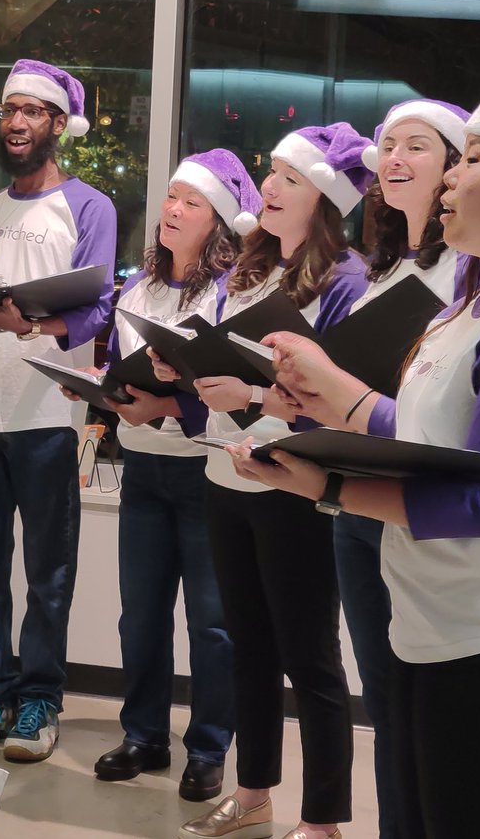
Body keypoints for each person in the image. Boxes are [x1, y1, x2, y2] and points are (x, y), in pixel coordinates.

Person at [234, 81, 480, 839]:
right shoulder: (474, 305)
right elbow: (422, 436)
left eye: (471, 157)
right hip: (433, 628)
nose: (447, 174)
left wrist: (326, 484)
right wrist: (330, 392)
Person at [164, 125, 372, 839]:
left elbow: (344, 399)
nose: (272, 187)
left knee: (310, 658)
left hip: (298, 489)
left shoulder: (347, 280)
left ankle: (324, 822)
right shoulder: (243, 272)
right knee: (247, 645)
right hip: (229, 474)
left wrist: (252, 398)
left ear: (327, 197)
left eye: (291, 177)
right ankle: (253, 794)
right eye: (272, 174)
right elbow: (226, 372)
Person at [275, 98, 470, 839]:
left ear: (455, 167)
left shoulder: (469, 277)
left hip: (414, 505)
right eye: (387, 145)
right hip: (355, 502)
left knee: (422, 710)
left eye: (416, 146)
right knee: (385, 704)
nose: (393, 159)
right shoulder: (384, 274)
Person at [0, 59, 116, 763]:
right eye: (9, 111)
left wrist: (26, 329)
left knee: (47, 572)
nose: (15, 123)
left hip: (46, 417)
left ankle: (40, 700)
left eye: (32, 111)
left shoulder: (89, 208)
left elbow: (96, 309)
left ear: (58, 125)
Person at [78, 151, 259, 800]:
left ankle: (209, 748)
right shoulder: (139, 288)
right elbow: (126, 373)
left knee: (212, 622)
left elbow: (242, 391)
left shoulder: (233, 292)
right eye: (171, 197)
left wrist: (170, 402)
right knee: (141, 616)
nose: (173, 210)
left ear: (219, 223)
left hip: (207, 472)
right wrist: (110, 396)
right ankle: (143, 735)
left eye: (191, 202)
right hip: (146, 469)